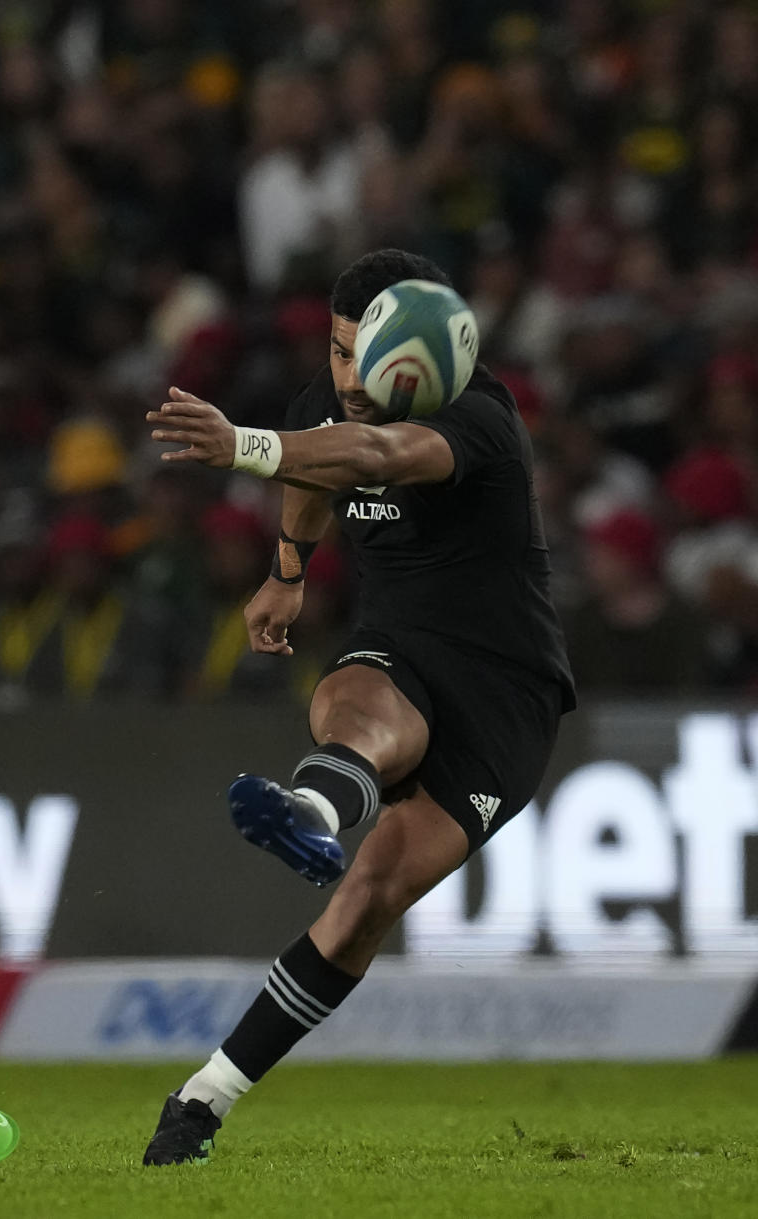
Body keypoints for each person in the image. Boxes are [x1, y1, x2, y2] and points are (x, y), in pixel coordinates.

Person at [141, 248, 576, 1166]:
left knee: (372, 896)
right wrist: (287, 572)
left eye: (365, 352)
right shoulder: (322, 406)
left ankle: (317, 822)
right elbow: (318, 474)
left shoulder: (479, 419)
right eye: (339, 352)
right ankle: (200, 1104)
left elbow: (374, 455)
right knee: (350, 699)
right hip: (398, 653)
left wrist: (245, 446)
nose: (349, 376)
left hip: (506, 691)